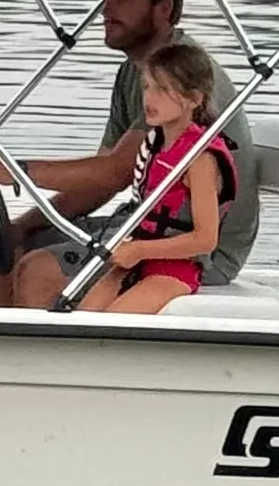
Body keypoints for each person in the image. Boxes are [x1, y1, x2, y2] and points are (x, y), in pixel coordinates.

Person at [0, 0, 260, 310]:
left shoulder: (183, 76)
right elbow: (99, 184)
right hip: (142, 224)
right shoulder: (135, 75)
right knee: (3, 243)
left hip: (198, 254)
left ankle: (41, 362)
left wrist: (15, 171)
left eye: (123, 0)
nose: (106, 9)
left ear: (163, 9)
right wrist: (24, 224)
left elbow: (114, 173)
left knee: (38, 268)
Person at [75, 38, 237, 314]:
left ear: (194, 99)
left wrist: (139, 251)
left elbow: (206, 239)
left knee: (113, 322)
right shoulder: (156, 145)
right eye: (147, 87)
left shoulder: (199, 159)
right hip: (140, 261)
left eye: (162, 90)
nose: (149, 98)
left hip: (176, 269)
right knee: (82, 318)